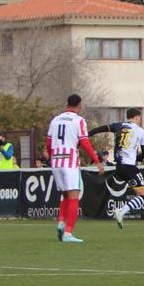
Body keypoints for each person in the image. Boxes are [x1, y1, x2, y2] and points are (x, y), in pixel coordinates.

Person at [92, 108, 144, 230]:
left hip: (119, 166)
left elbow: (102, 128)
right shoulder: (140, 131)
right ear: (136, 117)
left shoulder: (119, 126)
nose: (140, 120)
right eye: (140, 118)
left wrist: (88, 134)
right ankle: (122, 211)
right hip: (129, 167)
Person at [46, 94, 106, 243]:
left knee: (65, 195)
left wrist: (51, 157)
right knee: (74, 197)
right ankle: (68, 233)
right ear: (79, 105)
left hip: (56, 162)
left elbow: (48, 143)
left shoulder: (55, 120)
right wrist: (97, 161)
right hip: (70, 161)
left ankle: (61, 222)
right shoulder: (78, 120)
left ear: (67, 104)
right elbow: (85, 143)